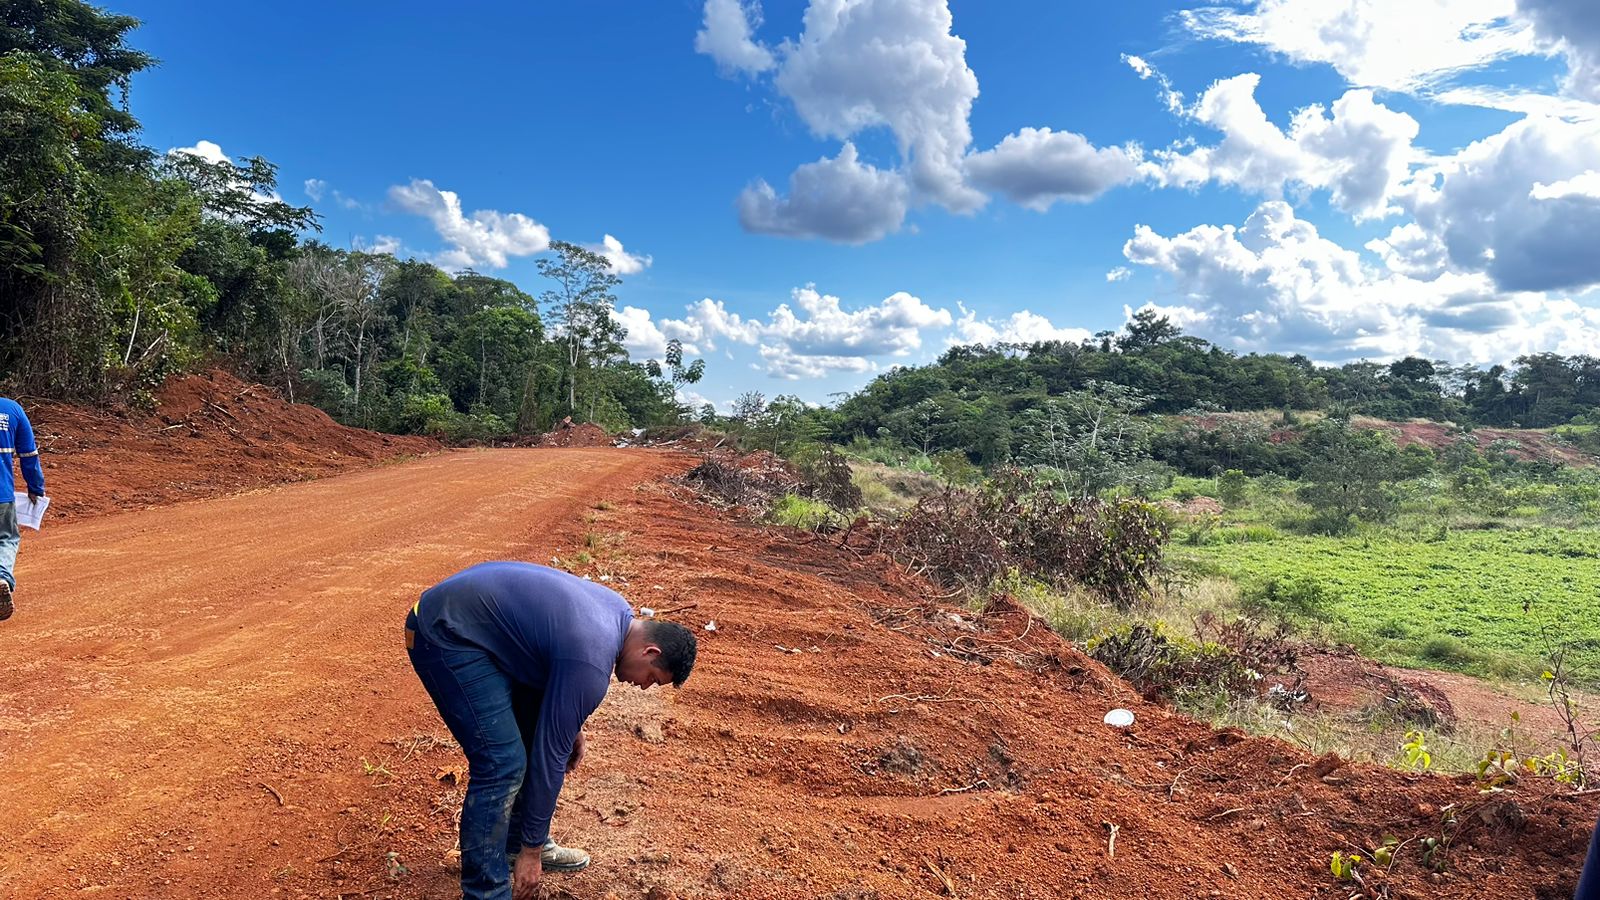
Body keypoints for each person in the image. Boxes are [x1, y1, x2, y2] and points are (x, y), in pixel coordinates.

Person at [404, 561, 697, 900]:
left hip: (472, 623)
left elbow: (557, 657)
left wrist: (571, 724)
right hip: (443, 632)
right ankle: (486, 891)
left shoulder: (618, 612)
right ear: (650, 651)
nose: (644, 686)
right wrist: (532, 854)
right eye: (653, 678)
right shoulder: (591, 659)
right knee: (502, 763)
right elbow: (550, 759)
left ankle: (514, 844)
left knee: (528, 741)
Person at [0, 397, 46, 622]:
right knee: (6, 538)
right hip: (2, 494)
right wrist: (36, 487)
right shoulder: (12, 409)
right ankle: (1, 576)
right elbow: (29, 455)